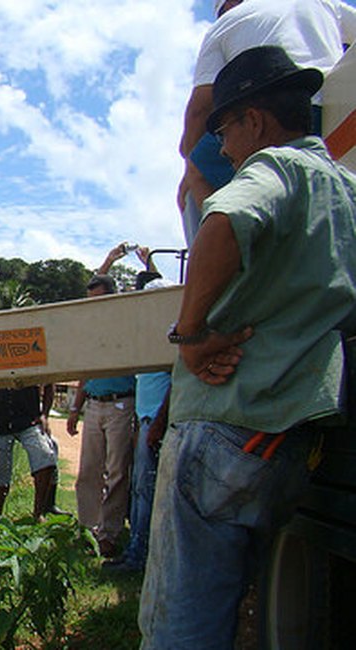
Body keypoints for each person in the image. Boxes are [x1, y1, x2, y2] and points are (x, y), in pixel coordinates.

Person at [140, 46, 356, 648]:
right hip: (292, 437)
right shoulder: (347, 190)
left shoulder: (274, 170)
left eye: (226, 129)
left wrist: (189, 335)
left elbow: (223, 222)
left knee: (180, 618)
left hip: (227, 424)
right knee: (245, 608)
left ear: (254, 120)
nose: (226, 148)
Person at [177, 0, 356, 244]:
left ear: (226, 7)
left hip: (270, 114)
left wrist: (188, 156)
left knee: (193, 174)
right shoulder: (322, 2)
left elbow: (199, 109)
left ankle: (216, 262)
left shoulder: (228, 22)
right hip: (327, 108)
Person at [104, 276, 175, 574]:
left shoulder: (170, 339)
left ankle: (139, 556)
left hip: (157, 423)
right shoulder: (149, 338)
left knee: (147, 489)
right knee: (139, 488)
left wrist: (157, 424)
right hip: (144, 420)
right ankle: (135, 548)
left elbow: (176, 384)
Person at [66, 271, 137, 559]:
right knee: (88, 471)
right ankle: (87, 530)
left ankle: (109, 533)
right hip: (94, 405)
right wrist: (75, 408)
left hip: (121, 403)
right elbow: (85, 371)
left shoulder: (126, 324)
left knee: (117, 471)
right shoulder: (89, 331)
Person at [0, 386, 61, 519]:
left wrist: (44, 415)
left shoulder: (29, 364)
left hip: (29, 422)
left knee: (45, 456)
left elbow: (49, 383)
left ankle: (38, 514)